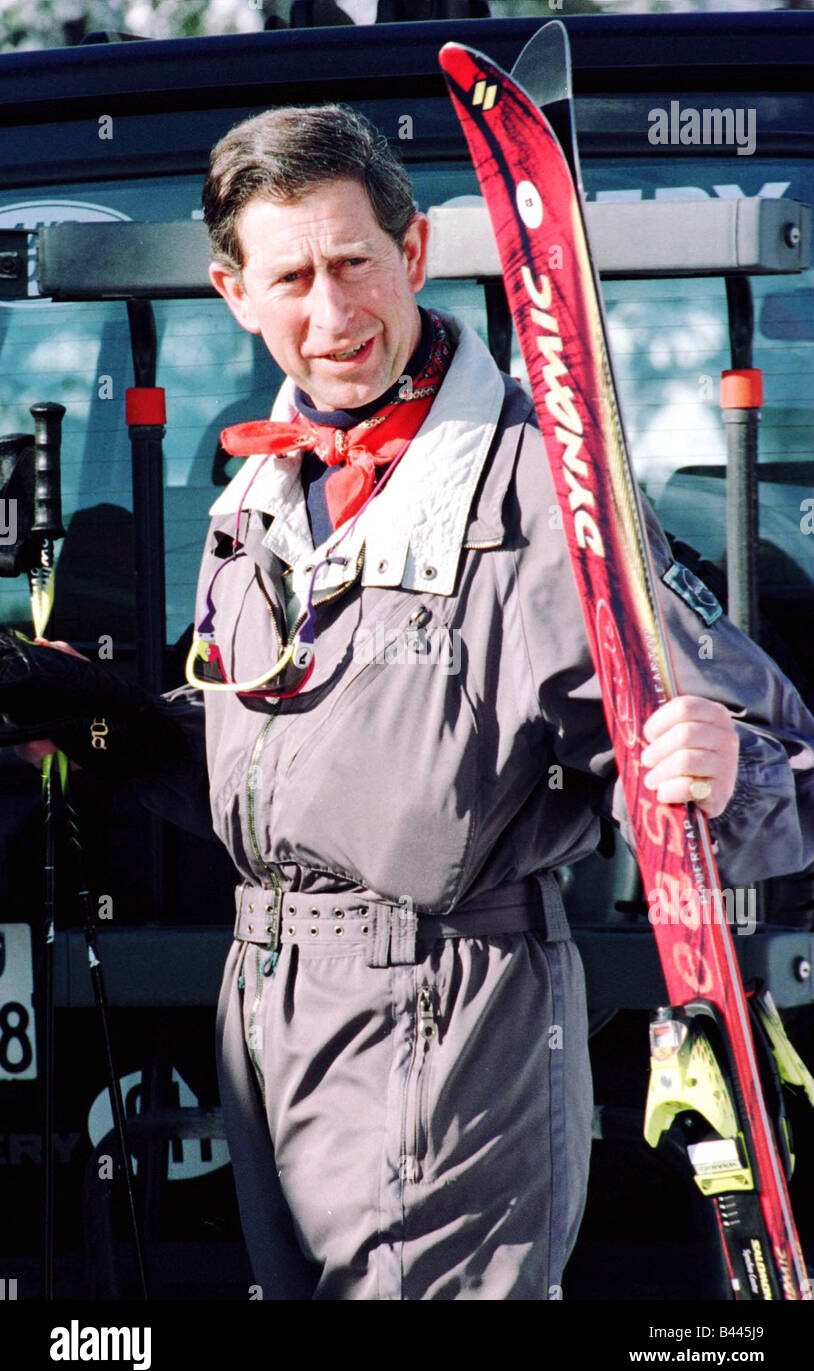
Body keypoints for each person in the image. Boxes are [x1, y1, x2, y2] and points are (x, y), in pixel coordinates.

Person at [13, 104, 814, 1301]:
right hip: (269, 1013)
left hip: (448, 1015)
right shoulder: (259, 491)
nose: (332, 316)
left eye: (354, 264)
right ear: (236, 295)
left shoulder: (541, 488)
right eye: (291, 277)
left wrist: (722, 764)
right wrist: (93, 720)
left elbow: (768, 750)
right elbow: (288, 762)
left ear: (415, 255)